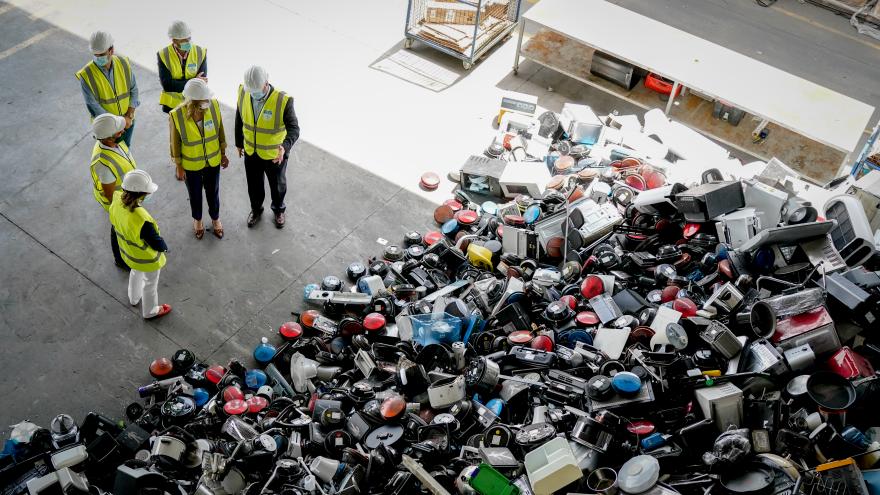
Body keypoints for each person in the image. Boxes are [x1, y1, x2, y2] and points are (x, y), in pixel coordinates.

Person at [235, 65, 300, 229]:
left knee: (277, 186)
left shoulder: (282, 100)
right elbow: (239, 117)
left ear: (266, 83)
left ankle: (279, 210)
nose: (254, 93)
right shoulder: (244, 92)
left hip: (274, 154)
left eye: (257, 89)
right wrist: (239, 142)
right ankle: (256, 210)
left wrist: (284, 147)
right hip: (251, 150)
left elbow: (294, 129)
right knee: (254, 185)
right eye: (252, 90)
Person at [169, 79, 229, 239]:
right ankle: (198, 220)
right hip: (191, 164)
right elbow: (174, 143)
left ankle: (215, 219)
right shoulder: (176, 116)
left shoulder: (214, 106)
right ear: (193, 101)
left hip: (213, 160)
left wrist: (223, 153)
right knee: (195, 194)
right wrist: (179, 166)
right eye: (204, 99)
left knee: (213, 191)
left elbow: (220, 130)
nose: (207, 101)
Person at [109, 170, 172, 320]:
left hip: (129, 254)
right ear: (140, 194)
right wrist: (165, 247)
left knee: (135, 272)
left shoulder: (116, 201)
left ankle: (133, 298)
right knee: (150, 284)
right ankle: (150, 311)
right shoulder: (141, 219)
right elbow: (156, 242)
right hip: (146, 259)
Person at [89, 113, 138, 268]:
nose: (122, 132)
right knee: (117, 227)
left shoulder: (110, 139)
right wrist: (123, 209)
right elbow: (111, 195)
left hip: (129, 193)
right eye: (119, 131)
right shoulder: (103, 163)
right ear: (109, 138)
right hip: (121, 201)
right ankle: (120, 260)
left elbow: (127, 123)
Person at [76, 31, 139, 147]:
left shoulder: (123, 63)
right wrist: (119, 123)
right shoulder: (87, 74)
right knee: (110, 156)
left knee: (126, 150)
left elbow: (134, 90)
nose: (98, 58)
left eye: (101, 54)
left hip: (128, 121)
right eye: (95, 55)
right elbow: (93, 107)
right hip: (107, 129)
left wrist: (129, 116)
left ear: (111, 50)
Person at [157, 21, 207, 114]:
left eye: (189, 38)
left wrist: (181, 83)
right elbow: (168, 85)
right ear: (174, 40)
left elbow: (201, 83)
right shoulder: (163, 55)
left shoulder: (200, 52)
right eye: (183, 40)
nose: (188, 42)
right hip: (172, 107)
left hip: (194, 103)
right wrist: (194, 80)